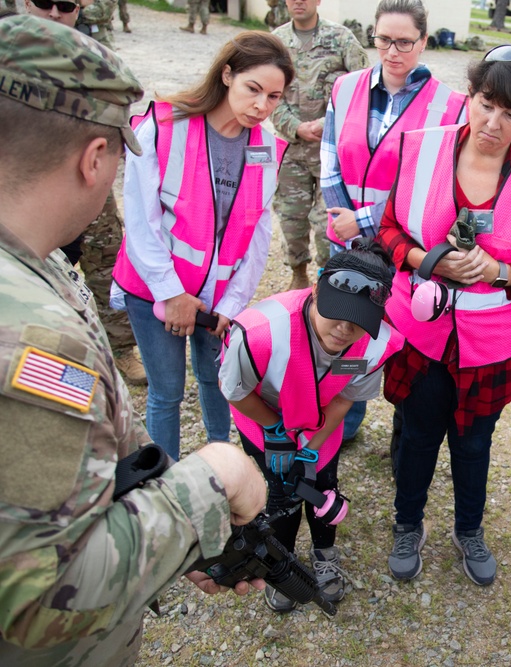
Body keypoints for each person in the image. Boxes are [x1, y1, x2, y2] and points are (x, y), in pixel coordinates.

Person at [0, 15, 267, 667]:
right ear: (96, 159)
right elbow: (39, 596)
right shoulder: (32, 331)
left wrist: (167, 530)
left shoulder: (39, 267)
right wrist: (213, 477)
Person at [377, 46, 511, 586]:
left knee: (474, 441)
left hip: (493, 343)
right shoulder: (421, 150)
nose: (494, 122)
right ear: (470, 96)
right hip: (422, 333)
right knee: (417, 434)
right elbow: (389, 230)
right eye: (487, 104)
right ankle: (407, 523)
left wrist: (502, 273)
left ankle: (469, 530)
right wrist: (427, 258)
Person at [111, 32, 293, 461]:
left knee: (218, 384)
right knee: (167, 391)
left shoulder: (266, 148)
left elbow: (258, 234)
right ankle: (169, 484)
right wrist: (171, 294)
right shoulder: (162, 126)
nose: (262, 107)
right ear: (227, 74)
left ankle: (220, 471)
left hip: (217, 302)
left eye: (274, 97)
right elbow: (140, 221)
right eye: (253, 90)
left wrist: (232, 304)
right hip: (156, 294)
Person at [221, 239, 404, 612]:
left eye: (358, 321)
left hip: (318, 428)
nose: (343, 329)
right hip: (263, 422)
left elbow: (344, 396)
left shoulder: (371, 346)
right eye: (337, 311)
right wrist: (275, 432)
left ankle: (324, 553)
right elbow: (236, 391)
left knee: (321, 486)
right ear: (317, 287)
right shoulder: (260, 332)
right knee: (281, 492)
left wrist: (311, 444)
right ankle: (282, 561)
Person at [320, 0, 467, 441]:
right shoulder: (345, 88)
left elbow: (434, 182)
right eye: (384, 40)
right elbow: (330, 159)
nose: (392, 52)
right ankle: (345, 420)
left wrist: (363, 220)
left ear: (424, 42)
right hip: (349, 244)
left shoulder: (450, 105)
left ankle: (405, 434)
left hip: (406, 244)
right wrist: (346, 225)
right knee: (349, 332)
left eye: (405, 42)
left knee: (405, 341)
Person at [25, 0, 147, 385]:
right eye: (45, 3)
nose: (56, 14)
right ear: (27, 3)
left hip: (83, 176)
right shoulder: (12, 51)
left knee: (105, 254)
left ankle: (121, 348)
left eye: (66, 5)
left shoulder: (92, 56)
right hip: (23, 181)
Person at [272, 0, 368, 291]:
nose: (298, 1)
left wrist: (329, 124)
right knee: (291, 218)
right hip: (293, 149)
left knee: (327, 223)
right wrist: (296, 127)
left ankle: (329, 276)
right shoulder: (276, 42)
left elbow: (364, 87)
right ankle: (298, 271)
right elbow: (268, 96)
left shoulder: (341, 39)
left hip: (333, 152)